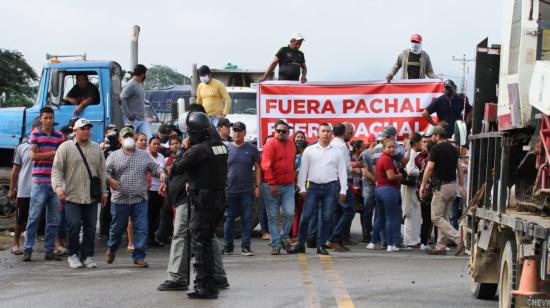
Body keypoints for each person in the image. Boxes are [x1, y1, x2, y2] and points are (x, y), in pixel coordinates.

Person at [157, 135, 229, 293]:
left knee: (182, 234)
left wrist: (184, 148)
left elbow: (177, 167)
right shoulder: (209, 147)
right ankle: (217, 275)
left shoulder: (198, 149)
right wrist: (167, 184)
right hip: (192, 198)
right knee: (206, 235)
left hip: (190, 199)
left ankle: (177, 276)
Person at [105, 126, 167, 268]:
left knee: (142, 228)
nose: (128, 139)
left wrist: (161, 172)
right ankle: (112, 248)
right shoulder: (113, 156)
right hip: (120, 199)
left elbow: (155, 167)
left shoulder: (144, 155)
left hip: (139, 199)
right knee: (117, 228)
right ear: (120, 140)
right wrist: (109, 180)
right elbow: (105, 172)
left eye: (130, 136)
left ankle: (139, 256)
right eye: (125, 137)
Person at [51, 118, 107, 268]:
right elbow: (56, 169)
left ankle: (87, 256)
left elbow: (102, 172)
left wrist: (104, 192)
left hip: (91, 196)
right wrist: (58, 188)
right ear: (75, 131)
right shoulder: (65, 147)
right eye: (83, 128)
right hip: (71, 194)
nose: (86, 131)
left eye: (88, 128)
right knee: (74, 225)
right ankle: (73, 254)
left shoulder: (97, 148)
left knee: (90, 227)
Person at [289, 123, 347, 255]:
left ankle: (321, 245)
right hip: (313, 187)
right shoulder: (309, 150)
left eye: (328, 131)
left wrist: (343, 189)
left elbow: (342, 171)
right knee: (306, 216)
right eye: (323, 131)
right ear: (318, 133)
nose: (326, 133)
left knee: (326, 217)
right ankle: (300, 244)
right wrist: (302, 187)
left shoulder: (337, 151)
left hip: (331, 187)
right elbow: (303, 170)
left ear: (331, 134)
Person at [22, 107, 65, 262]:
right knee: (33, 217)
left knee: (53, 219)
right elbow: (33, 156)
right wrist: (52, 154)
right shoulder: (35, 134)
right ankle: (27, 249)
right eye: (45, 117)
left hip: (55, 182)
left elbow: (61, 160)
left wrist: (44, 155)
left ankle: (49, 250)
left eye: (50, 117)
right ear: (41, 119)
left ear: (53, 119)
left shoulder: (60, 136)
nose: (48, 120)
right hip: (39, 182)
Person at [419, 126, 466, 256]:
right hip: (452, 186)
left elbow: (429, 169)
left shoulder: (436, 149)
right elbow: (459, 168)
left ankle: (459, 239)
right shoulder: (453, 149)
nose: (431, 138)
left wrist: (423, 185)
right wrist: (461, 185)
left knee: (436, 217)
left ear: (438, 136)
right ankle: (441, 246)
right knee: (444, 217)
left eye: (432, 136)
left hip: (442, 187)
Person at [222, 122, 261, 256]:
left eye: (239, 131)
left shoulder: (252, 149)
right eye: (234, 131)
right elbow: (220, 168)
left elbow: (257, 168)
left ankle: (246, 246)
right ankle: (228, 246)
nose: (236, 133)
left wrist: (257, 186)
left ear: (244, 133)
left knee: (247, 219)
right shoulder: (226, 148)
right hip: (229, 190)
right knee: (229, 219)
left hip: (246, 190)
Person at [261, 120, 296, 255]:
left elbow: (292, 164)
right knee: (273, 216)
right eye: (278, 131)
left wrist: (294, 180)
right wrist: (272, 184)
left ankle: (284, 237)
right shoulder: (270, 144)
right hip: (271, 186)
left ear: (288, 132)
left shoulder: (292, 145)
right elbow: (266, 165)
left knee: (289, 213)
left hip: (288, 186)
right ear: (274, 132)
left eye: (284, 131)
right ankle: (276, 243)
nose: (281, 133)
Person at [368, 138, 403, 252]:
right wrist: (400, 175)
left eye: (394, 147)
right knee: (391, 218)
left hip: (379, 190)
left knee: (380, 218)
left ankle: (372, 242)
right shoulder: (387, 159)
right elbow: (391, 177)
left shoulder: (381, 158)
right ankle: (391, 244)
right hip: (389, 190)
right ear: (384, 148)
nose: (392, 149)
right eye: (389, 147)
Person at [326, 123, 356, 252]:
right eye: (350, 132)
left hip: (332, 181)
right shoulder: (342, 146)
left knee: (337, 212)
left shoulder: (331, 144)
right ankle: (334, 238)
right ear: (344, 133)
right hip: (341, 181)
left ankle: (336, 240)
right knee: (350, 210)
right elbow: (346, 167)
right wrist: (357, 167)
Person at [7, 136, 33, 255]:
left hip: (42, 189)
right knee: (20, 218)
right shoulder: (22, 148)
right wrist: (11, 189)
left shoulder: (48, 146)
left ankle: (54, 244)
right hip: (24, 190)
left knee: (48, 218)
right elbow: (15, 170)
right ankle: (16, 243)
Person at [121, 64, 151, 141]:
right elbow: (121, 98)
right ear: (143, 74)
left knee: (149, 139)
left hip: (142, 119)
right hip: (132, 120)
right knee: (129, 141)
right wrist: (129, 114)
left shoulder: (140, 84)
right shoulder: (131, 84)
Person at [402, 133, 423, 247]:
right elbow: (410, 171)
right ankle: (410, 240)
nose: (422, 144)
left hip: (413, 187)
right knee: (411, 214)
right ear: (416, 142)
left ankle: (414, 239)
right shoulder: (412, 154)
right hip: (410, 188)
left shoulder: (413, 153)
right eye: (421, 142)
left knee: (415, 214)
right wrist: (421, 171)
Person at [416, 134, 435, 251]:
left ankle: (426, 241)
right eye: (424, 142)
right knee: (428, 219)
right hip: (427, 193)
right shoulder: (423, 159)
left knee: (431, 219)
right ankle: (424, 241)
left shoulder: (425, 158)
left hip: (427, 192)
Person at [147, 136, 166, 246]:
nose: (156, 146)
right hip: (149, 189)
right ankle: (146, 239)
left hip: (160, 189)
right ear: (150, 145)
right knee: (149, 215)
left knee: (156, 215)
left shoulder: (161, 156)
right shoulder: (146, 156)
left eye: (158, 144)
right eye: (154, 144)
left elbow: (164, 170)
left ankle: (152, 238)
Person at [360, 135, 377, 243]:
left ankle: (375, 233)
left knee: (379, 212)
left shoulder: (379, 153)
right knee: (367, 211)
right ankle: (366, 234)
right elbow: (365, 172)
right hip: (368, 185)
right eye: (376, 140)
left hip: (377, 185)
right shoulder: (365, 154)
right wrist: (376, 181)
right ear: (371, 141)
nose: (378, 142)